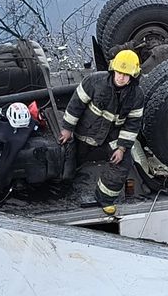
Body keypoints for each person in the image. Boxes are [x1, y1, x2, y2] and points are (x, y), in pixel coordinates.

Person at [59, 49, 144, 212]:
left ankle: (104, 199)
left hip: (111, 136)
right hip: (84, 132)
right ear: (113, 69)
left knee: (123, 164)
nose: (121, 77)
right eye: (119, 72)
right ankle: (62, 191)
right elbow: (75, 105)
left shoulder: (137, 95)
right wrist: (67, 129)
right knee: (67, 164)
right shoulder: (94, 81)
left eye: (126, 74)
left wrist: (121, 148)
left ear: (133, 75)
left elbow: (132, 124)